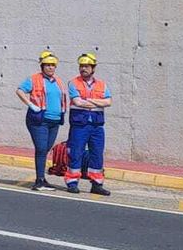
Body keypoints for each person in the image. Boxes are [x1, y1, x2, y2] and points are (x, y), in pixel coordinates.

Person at [16, 51, 66, 191]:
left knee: (46, 149)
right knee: (41, 149)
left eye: (53, 65)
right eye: (48, 65)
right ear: (42, 66)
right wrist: (30, 104)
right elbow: (20, 90)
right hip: (39, 120)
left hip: (54, 121)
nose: (50, 68)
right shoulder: (34, 79)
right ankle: (39, 180)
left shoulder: (58, 81)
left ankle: (43, 179)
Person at [65, 53, 112, 196]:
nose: (83, 68)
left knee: (97, 154)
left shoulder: (102, 85)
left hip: (97, 126)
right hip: (80, 124)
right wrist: (97, 101)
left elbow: (108, 102)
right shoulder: (73, 83)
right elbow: (78, 102)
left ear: (93, 68)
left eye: (86, 66)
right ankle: (72, 182)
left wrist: (89, 100)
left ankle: (97, 184)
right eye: (81, 66)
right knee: (76, 153)